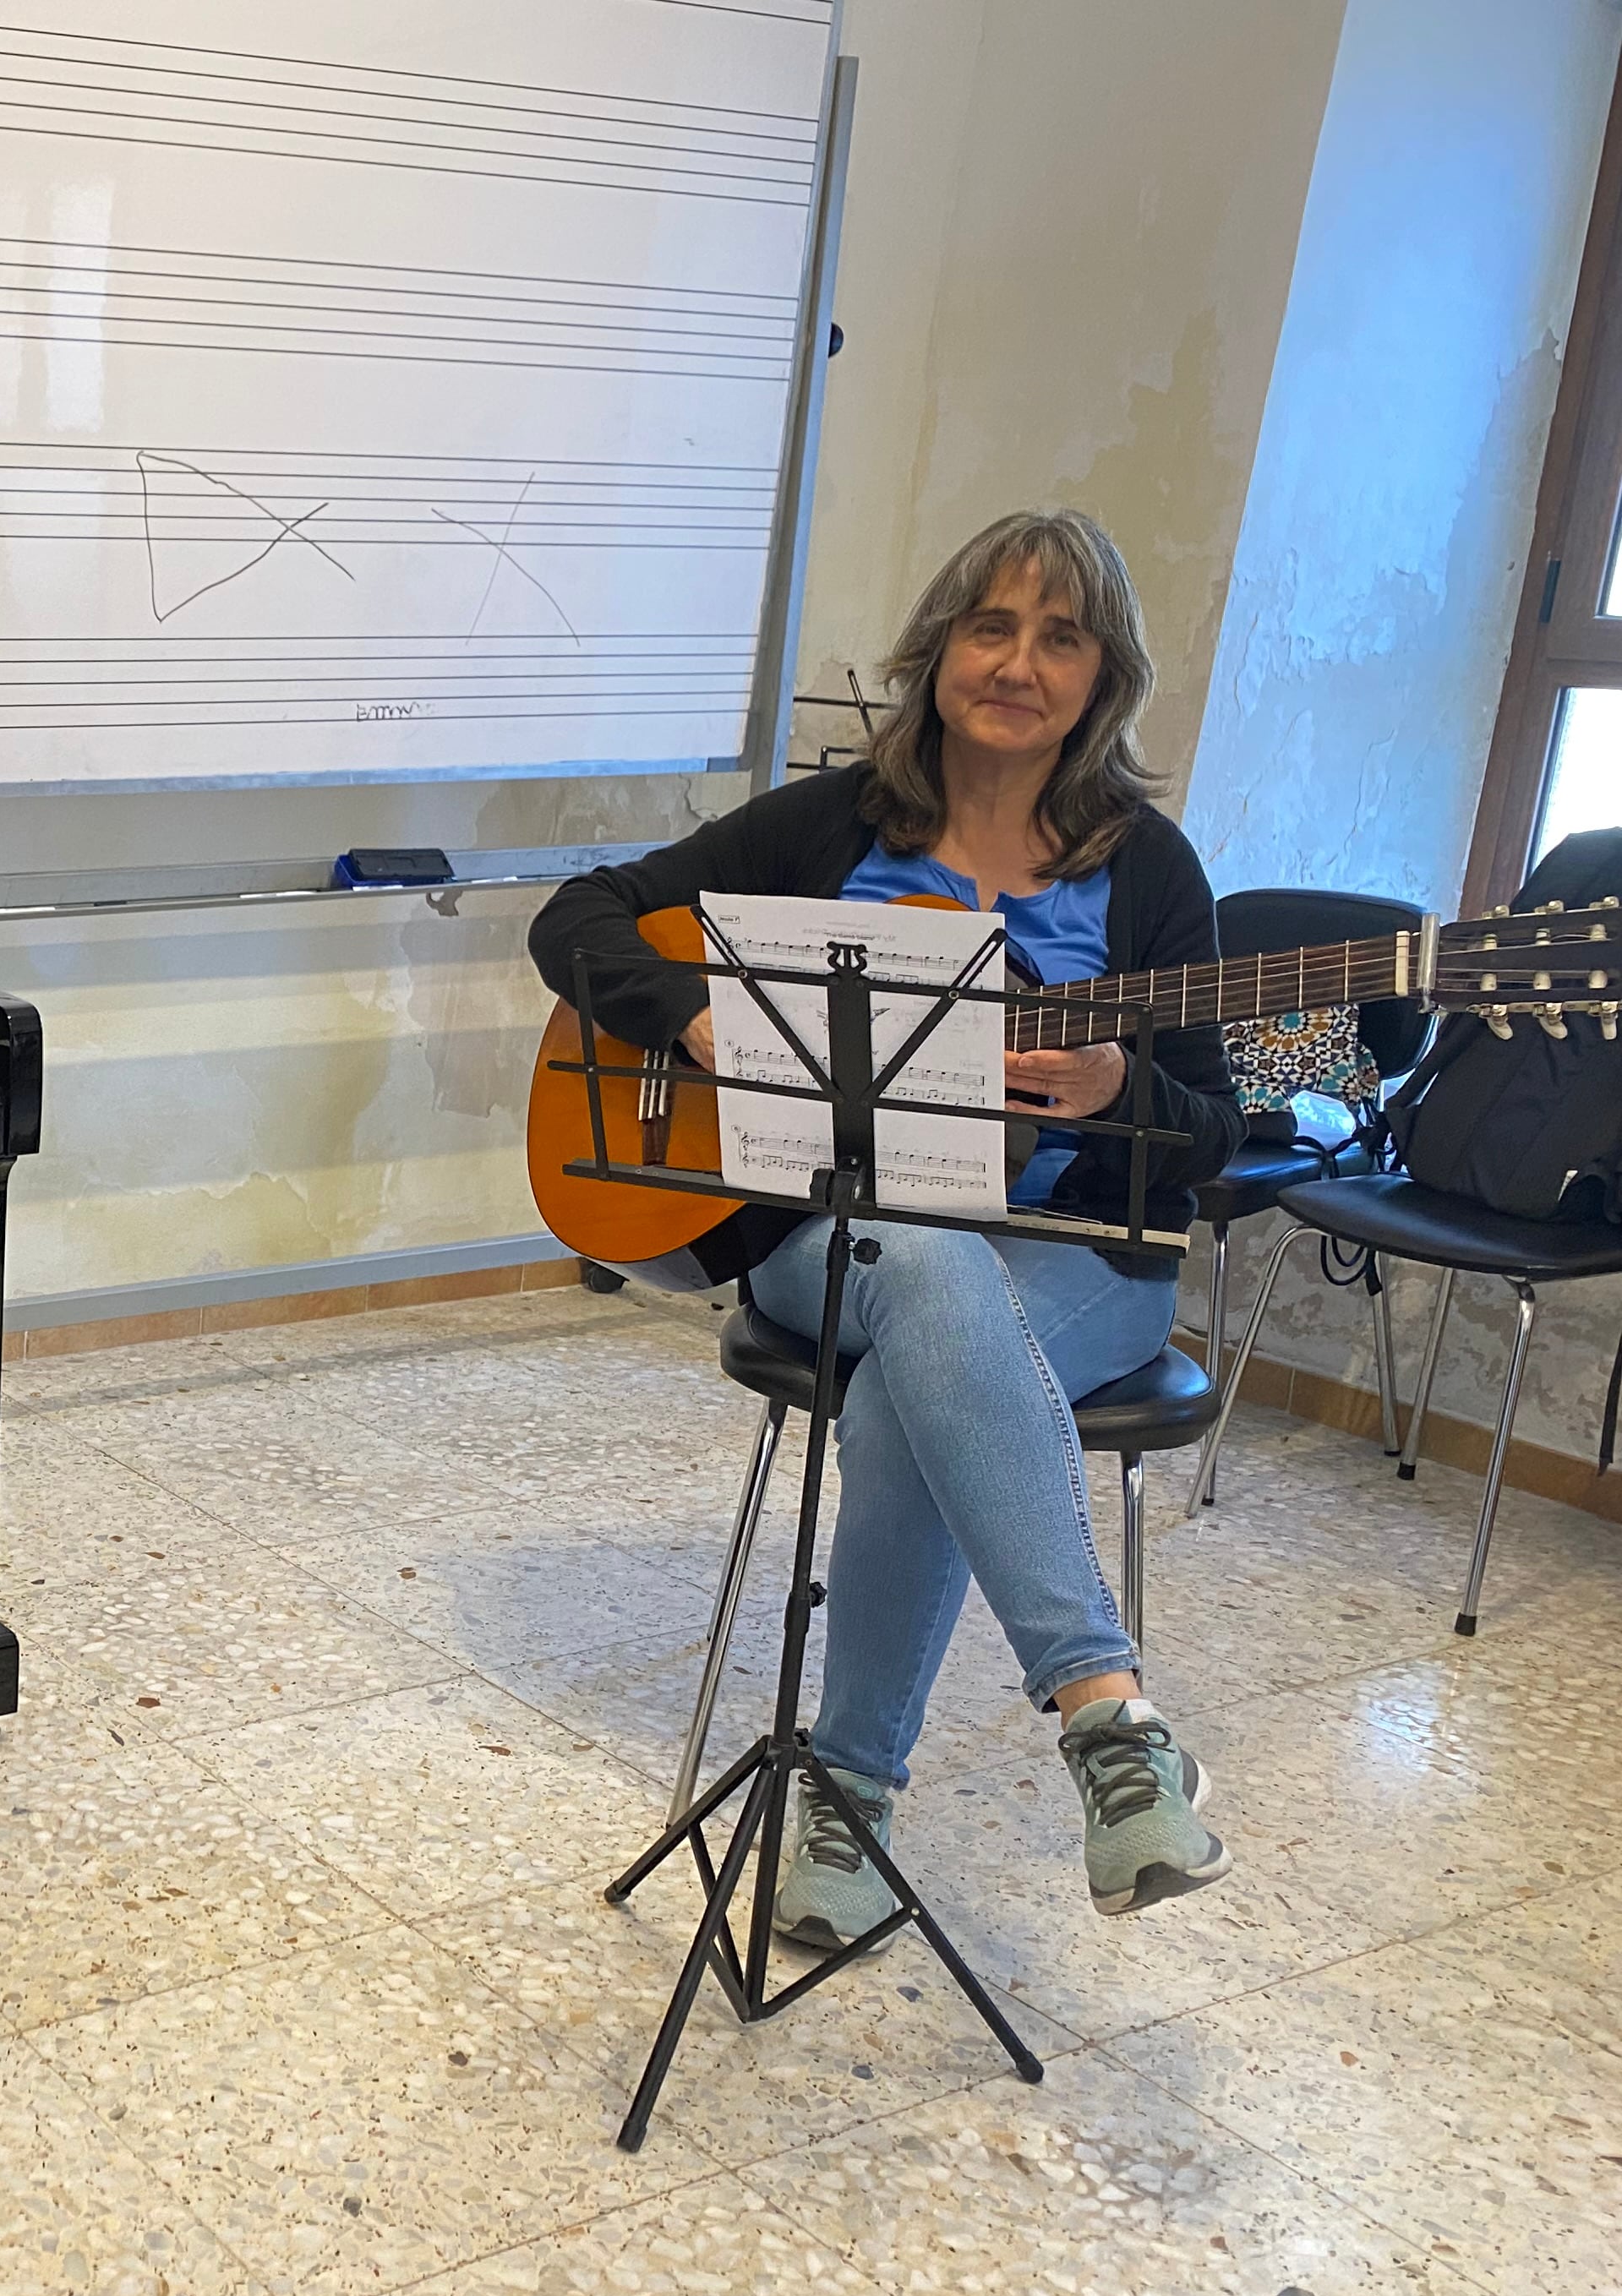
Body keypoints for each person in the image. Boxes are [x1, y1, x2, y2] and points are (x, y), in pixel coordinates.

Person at [529, 508, 1241, 1944]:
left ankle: (849, 1807)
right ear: (939, 652)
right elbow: (580, 916)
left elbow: (1223, 1128)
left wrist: (1118, 1084)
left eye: (1061, 636)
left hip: (1079, 1260)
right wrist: (696, 1013)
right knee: (926, 1274)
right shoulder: (833, 824)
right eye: (993, 625)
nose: (1020, 662)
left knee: (933, 1366)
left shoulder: (1149, 871)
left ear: (1104, 679)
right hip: (831, 1235)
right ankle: (1110, 1719)